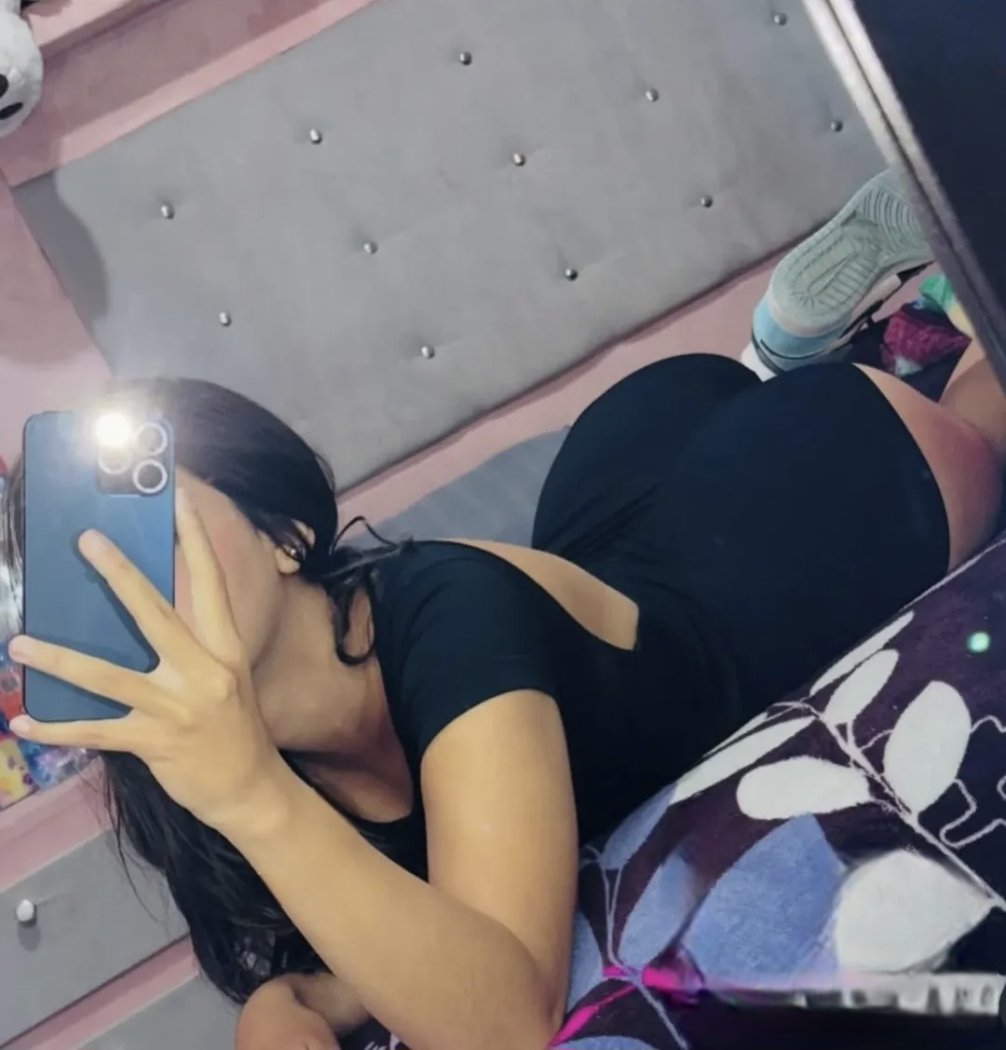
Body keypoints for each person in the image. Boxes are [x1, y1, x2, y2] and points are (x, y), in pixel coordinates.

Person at [0, 181, 1004, 1050]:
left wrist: (249, 793)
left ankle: (915, 310)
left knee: (980, 425)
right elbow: (379, 935)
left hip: (774, 525)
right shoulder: (191, 771)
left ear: (286, 538)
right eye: (88, 571)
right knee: (748, 409)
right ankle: (788, 343)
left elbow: (505, 1021)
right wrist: (284, 1000)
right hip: (622, 485)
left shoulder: (438, 609)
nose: (132, 580)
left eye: (155, 531)